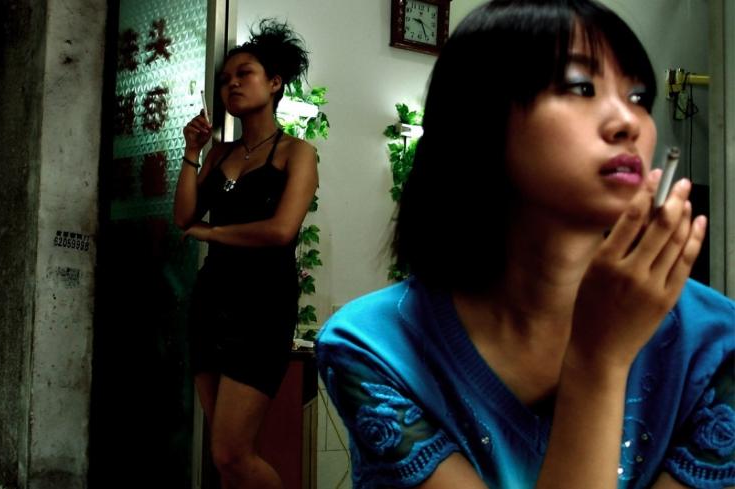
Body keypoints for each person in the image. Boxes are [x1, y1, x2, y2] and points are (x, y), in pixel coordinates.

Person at [315, 1, 734, 488]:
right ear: (478, 116)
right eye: (581, 87)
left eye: (638, 96)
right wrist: (598, 360)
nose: (629, 123)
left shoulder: (719, 345)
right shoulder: (374, 346)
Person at [173, 18, 318, 489]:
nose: (231, 84)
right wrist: (192, 152)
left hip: (263, 307)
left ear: (274, 83)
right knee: (224, 460)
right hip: (212, 300)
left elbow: (281, 231)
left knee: (232, 453)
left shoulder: (297, 152)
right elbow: (184, 216)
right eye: (225, 79)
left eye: (244, 73)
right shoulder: (219, 153)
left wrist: (212, 233)